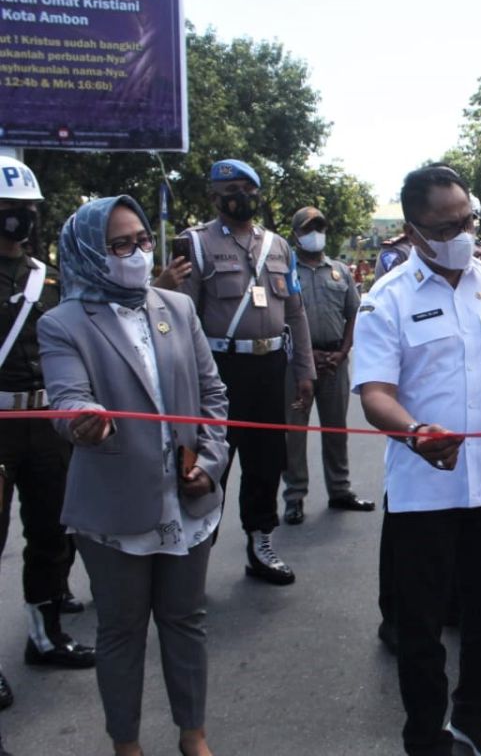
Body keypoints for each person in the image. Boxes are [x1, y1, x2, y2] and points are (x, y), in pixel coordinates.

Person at [354, 165, 481, 756]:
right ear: (413, 231)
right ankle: (425, 730)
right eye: (445, 226)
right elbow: (375, 393)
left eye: (468, 220)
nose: (462, 233)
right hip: (422, 491)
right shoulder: (387, 299)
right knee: (421, 624)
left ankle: (475, 714)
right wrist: (413, 431)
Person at [38, 195, 229, 756]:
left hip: (187, 498)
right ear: (89, 252)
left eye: (142, 241)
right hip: (115, 507)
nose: (136, 254)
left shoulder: (177, 307)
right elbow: (67, 400)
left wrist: (210, 463)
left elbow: (213, 395)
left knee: (185, 620)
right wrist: (83, 422)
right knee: (121, 632)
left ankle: (193, 735)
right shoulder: (63, 322)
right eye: (120, 245)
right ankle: (127, 744)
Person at [158, 159, 316, 585]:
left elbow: (295, 312)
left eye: (249, 188)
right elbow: (180, 314)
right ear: (214, 197)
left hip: (270, 366)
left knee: (267, 459)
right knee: (210, 463)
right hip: (216, 370)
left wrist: (305, 368)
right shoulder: (194, 243)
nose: (241, 197)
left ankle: (260, 542)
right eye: (231, 190)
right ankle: (195, 553)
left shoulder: (279, 247)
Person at [0, 157, 95, 706]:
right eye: (7, 211)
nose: (17, 221)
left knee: (51, 532)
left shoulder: (50, 279)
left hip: (44, 421)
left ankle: (45, 633)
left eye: (24, 211)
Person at [282, 207, 372, 525]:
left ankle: (340, 490)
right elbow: (279, 320)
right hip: (297, 365)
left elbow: (353, 315)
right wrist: (306, 355)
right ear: (296, 235)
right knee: (294, 433)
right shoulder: (282, 272)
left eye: (319, 227)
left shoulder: (340, 271)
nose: (315, 234)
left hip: (335, 362)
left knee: (336, 429)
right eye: (309, 229)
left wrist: (344, 352)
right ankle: (294, 497)